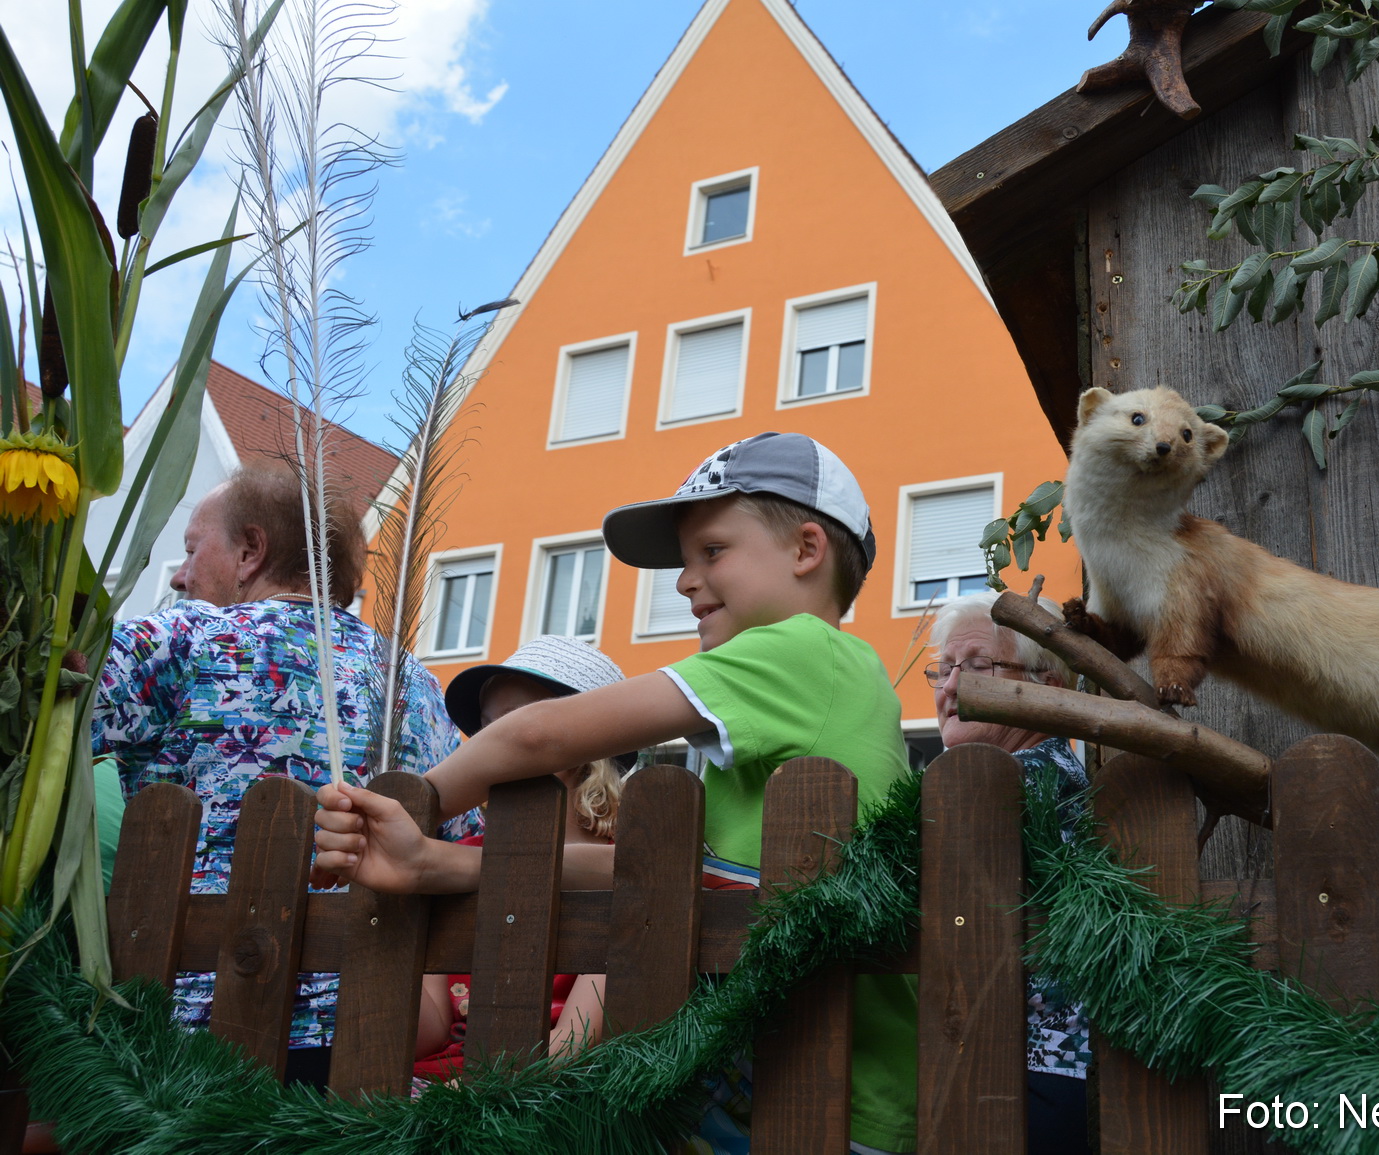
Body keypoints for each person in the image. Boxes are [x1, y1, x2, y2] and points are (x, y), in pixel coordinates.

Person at [313, 432, 918, 1155]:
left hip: (827, 1100)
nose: (686, 581)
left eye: (713, 551)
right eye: (686, 561)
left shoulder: (803, 652)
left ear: (806, 549)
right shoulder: (801, 708)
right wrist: (433, 864)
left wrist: (421, 801)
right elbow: (660, 873)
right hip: (788, 1090)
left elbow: (541, 736)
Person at [92, 462, 480, 1090]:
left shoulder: (182, 643)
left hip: (184, 1052)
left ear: (250, 550)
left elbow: (41, 715)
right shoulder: (413, 684)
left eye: (193, 551)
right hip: (368, 1046)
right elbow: (461, 840)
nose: (183, 576)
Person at [414, 635, 630, 1081]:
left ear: (585, 747)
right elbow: (429, 1030)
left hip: (539, 1097)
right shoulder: (451, 862)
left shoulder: (624, 873)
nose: (489, 745)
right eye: (485, 729)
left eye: (513, 727)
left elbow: (575, 1044)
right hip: (431, 1085)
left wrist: (467, 1096)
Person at [926, 592, 1092, 1155]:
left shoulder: (1024, 782)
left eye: (975, 669)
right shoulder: (1031, 773)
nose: (949, 691)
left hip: (1031, 1078)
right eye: (943, 671)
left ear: (1047, 687)